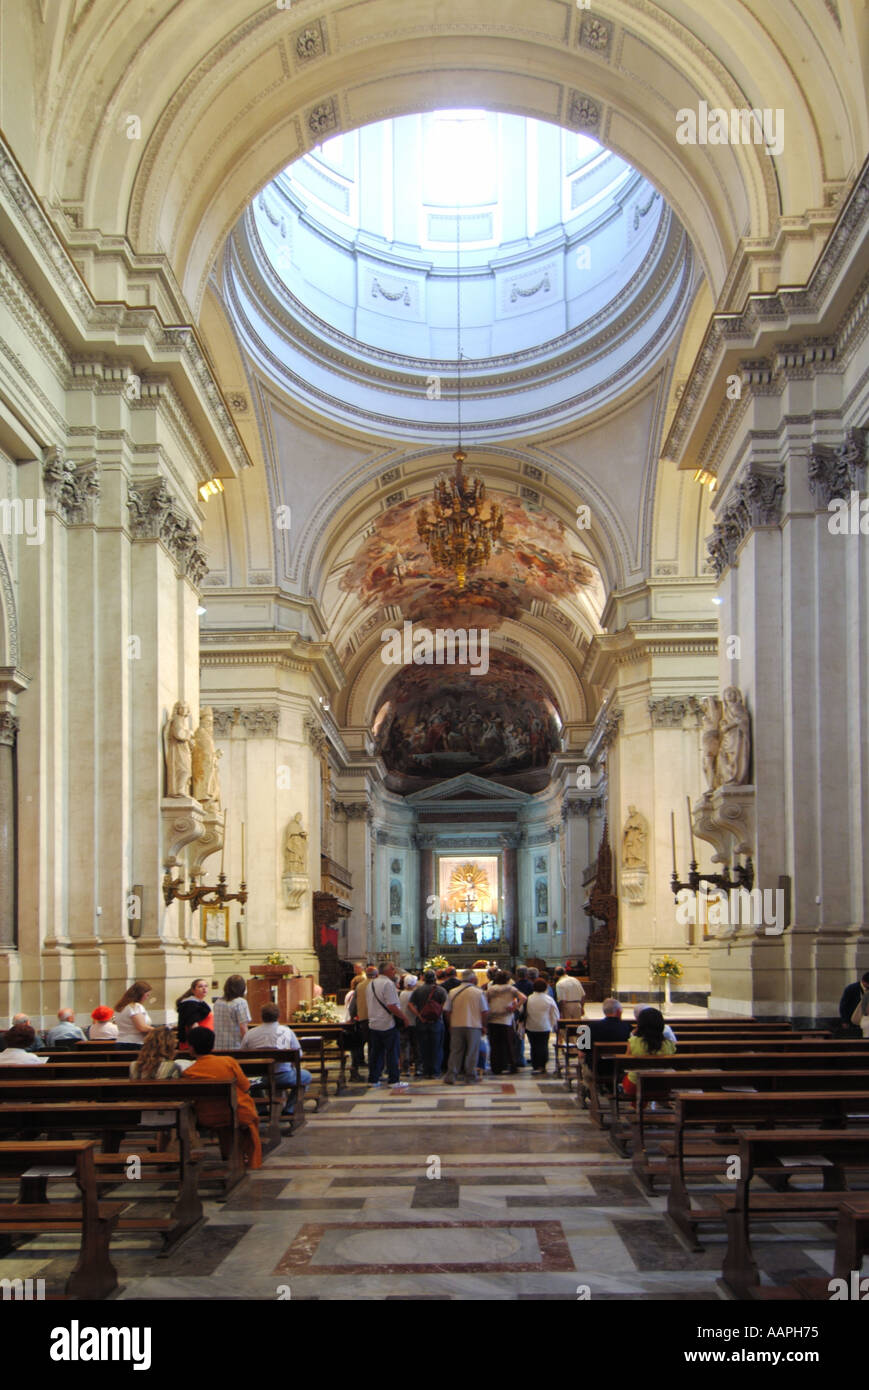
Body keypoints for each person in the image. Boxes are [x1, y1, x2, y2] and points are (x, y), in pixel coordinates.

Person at [183, 1027, 262, 1169]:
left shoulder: (189, 1072)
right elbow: (245, 1086)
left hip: (207, 1116)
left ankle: (229, 1153)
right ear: (213, 1045)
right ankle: (242, 1155)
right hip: (236, 1114)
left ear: (191, 1048)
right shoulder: (228, 1062)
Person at [241, 1003, 312, 1113]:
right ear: (278, 1016)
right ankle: (290, 1109)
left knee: (253, 1079)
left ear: (262, 1016)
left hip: (260, 1078)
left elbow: (242, 1054)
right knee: (306, 1076)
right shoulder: (286, 1031)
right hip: (282, 1075)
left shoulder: (250, 1034)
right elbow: (299, 1054)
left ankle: (261, 1109)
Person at [366, 962, 408, 1090]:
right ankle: (394, 1080)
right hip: (387, 1023)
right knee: (392, 1052)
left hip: (373, 1023)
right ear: (387, 971)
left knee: (376, 1053)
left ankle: (373, 1079)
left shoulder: (371, 983)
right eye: (392, 968)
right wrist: (404, 1017)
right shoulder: (388, 984)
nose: (394, 971)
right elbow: (392, 1005)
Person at [577, 997, 633, 1092]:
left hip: (597, 1067)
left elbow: (581, 1052)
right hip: (619, 1067)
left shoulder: (590, 1027)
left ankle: (588, 1088)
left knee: (584, 1060)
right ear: (619, 1012)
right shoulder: (628, 1027)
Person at [443, 969, 488, 1085]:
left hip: (456, 1025)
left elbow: (446, 1010)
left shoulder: (452, 992)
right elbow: (484, 1011)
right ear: (473, 979)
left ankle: (451, 1076)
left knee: (455, 1051)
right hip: (474, 1025)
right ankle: (470, 1077)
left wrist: (450, 1024)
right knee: (472, 1052)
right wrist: (484, 1025)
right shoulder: (478, 992)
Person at [622, 1007, 675, 1101]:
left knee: (630, 1078)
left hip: (636, 1085)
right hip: (663, 1086)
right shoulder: (669, 1044)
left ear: (640, 1024)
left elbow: (627, 1064)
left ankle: (637, 1107)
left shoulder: (633, 1041)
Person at [408, 970, 447, 1078]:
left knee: (423, 1047)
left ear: (424, 978)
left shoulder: (418, 990)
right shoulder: (441, 990)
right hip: (436, 1022)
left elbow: (410, 1004)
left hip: (422, 1022)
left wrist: (419, 1015)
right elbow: (444, 1005)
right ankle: (435, 1071)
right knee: (436, 1047)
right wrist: (437, 1014)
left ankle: (426, 1070)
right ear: (434, 978)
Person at [485, 970, 522, 1074]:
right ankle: (512, 1066)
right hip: (506, 1019)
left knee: (495, 1044)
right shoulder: (510, 988)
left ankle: (496, 1067)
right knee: (509, 1044)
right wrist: (514, 1007)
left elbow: (485, 1002)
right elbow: (523, 998)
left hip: (493, 1019)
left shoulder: (491, 989)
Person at [525, 978, 560, 1073]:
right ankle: (542, 1065)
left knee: (534, 1046)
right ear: (545, 988)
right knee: (543, 1045)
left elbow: (523, 1011)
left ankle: (535, 1065)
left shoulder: (529, 998)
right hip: (544, 1026)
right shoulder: (548, 999)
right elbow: (555, 1014)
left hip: (531, 1026)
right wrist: (555, 1025)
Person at [212, 975, 251, 1049]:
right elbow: (243, 1027)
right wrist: (248, 1045)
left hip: (218, 1045)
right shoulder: (240, 1002)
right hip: (234, 1046)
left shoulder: (218, 1002)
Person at [176, 979, 214, 1049]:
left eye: (206, 986)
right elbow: (193, 1025)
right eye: (200, 986)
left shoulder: (200, 1003)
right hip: (196, 1043)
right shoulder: (190, 1004)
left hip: (204, 1040)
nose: (204, 988)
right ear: (193, 990)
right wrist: (199, 1041)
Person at [114, 981, 154, 1048]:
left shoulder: (121, 1007)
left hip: (120, 1042)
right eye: (147, 995)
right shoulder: (135, 1007)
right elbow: (142, 1027)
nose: (147, 998)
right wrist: (158, 1030)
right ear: (140, 994)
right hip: (134, 1043)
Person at [399, 973, 420, 1076]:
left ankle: (405, 1069)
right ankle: (418, 1069)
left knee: (404, 1047)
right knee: (416, 1046)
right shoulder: (416, 994)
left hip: (403, 1023)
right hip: (415, 1023)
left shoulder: (400, 994)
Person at [840, 971, 869, 1036]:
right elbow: (843, 1005)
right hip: (853, 1019)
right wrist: (845, 1021)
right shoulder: (851, 989)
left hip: (866, 1019)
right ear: (864, 981)